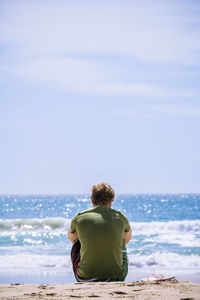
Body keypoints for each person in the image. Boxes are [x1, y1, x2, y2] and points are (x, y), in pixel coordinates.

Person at [68, 182, 132, 282]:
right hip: (116, 277)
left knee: (78, 242)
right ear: (111, 200)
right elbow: (127, 239)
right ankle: (112, 269)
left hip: (85, 278)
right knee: (121, 241)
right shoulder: (120, 217)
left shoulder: (79, 217)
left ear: (92, 200)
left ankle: (87, 269)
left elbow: (72, 239)